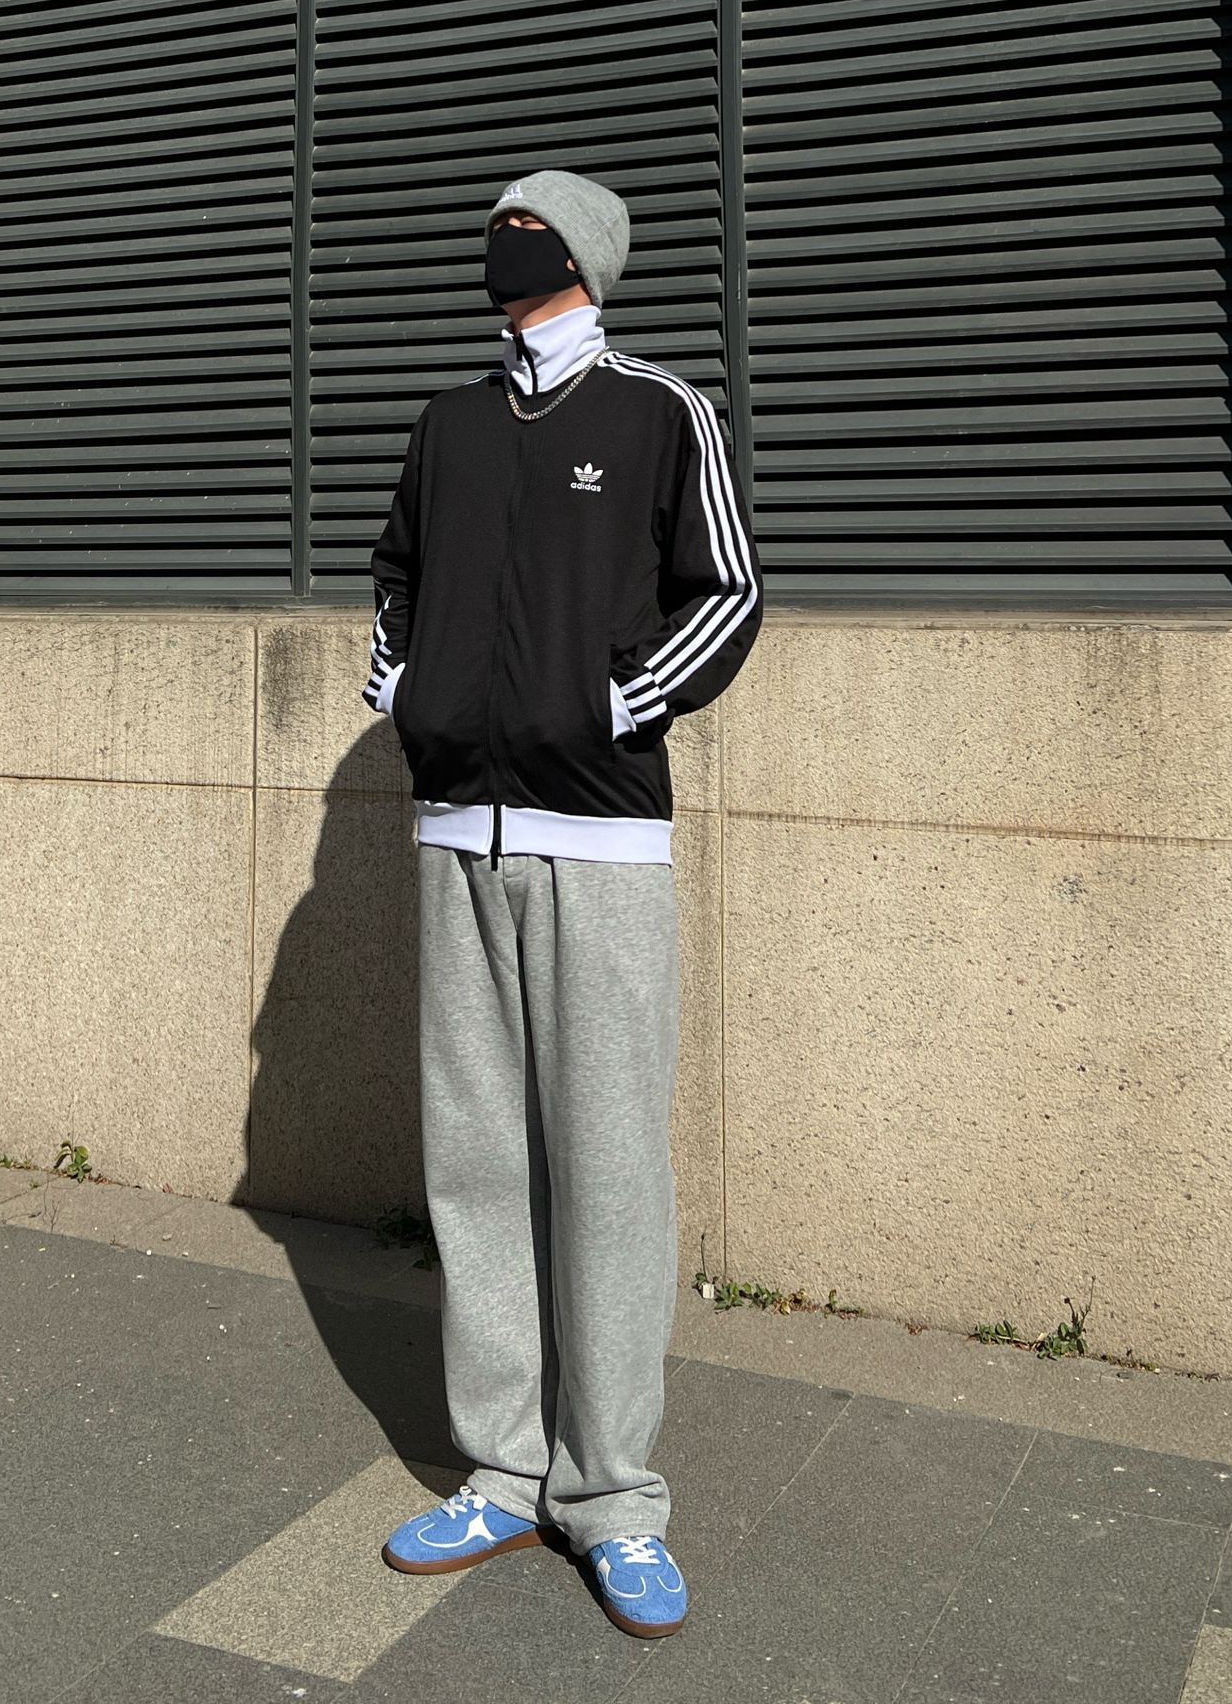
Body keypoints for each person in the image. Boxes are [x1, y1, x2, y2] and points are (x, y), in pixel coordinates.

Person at [362, 169, 762, 1638]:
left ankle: (615, 1497)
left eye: (525, 223)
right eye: (494, 222)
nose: (501, 239)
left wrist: (613, 704)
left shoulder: (662, 412)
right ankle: (503, 1468)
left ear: (583, 253)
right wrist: (404, 689)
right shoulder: (451, 423)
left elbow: (728, 593)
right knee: (476, 1165)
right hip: (455, 834)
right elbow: (396, 575)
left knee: (607, 1168)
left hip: (599, 844)